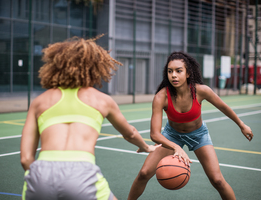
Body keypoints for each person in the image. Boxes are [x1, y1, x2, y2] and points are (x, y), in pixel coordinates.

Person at [20, 36, 160, 200]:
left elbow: (25, 159)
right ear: (95, 67)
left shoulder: (39, 102)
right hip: (80, 174)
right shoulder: (102, 100)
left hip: (40, 176)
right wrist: (146, 147)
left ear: (57, 65)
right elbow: (130, 133)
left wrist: (42, 178)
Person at [128, 51, 253, 200]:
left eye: (178, 71)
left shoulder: (201, 90)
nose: (173, 75)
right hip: (171, 135)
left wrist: (241, 125)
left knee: (218, 181)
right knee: (143, 174)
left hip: (198, 135)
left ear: (188, 73)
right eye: (170, 71)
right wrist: (175, 147)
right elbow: (155, 134)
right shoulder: (161, 97)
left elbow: (224, 107)